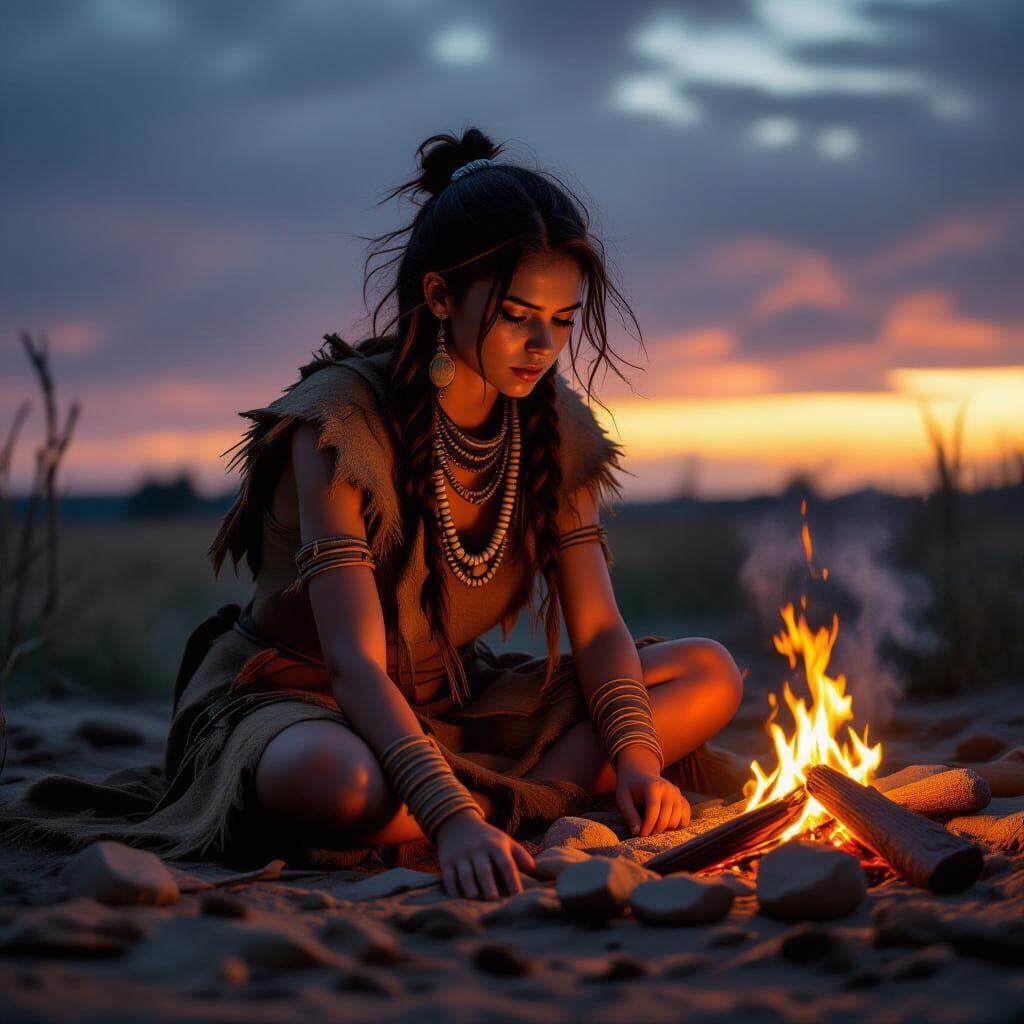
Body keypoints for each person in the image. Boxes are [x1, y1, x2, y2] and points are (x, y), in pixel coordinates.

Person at [0, 128, 745, 902]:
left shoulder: (557, 428)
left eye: (563, 320)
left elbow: (596, 632)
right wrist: (450, 819)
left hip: (450, 702)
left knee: (708, 673)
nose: (543, 345)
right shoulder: (337, 426)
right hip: (301, 703)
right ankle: (502, 804)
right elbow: (354, 665)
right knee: (339, 783)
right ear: (439, 297)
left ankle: (493, 804)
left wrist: (634, 761)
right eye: (521, 314)